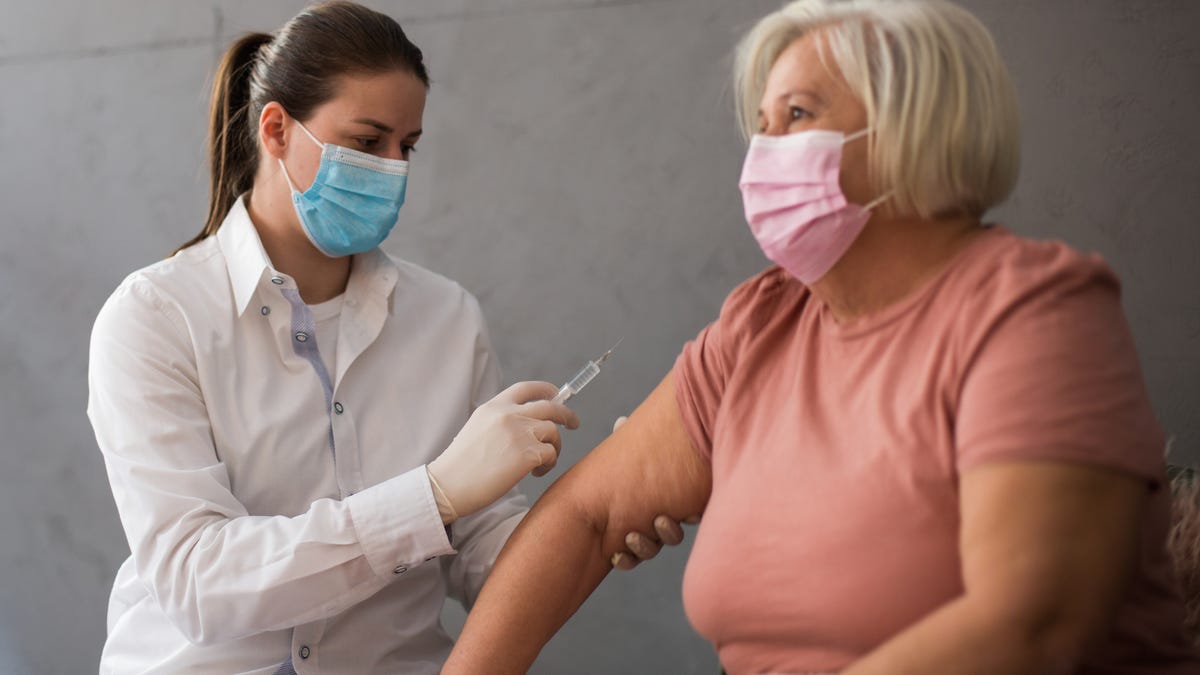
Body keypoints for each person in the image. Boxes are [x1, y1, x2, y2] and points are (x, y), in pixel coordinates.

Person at [441, 0, 1200, 673]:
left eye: (797, 116)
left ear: (914, 125)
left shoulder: (1031, 311)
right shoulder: (758, 327)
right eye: (761, 127)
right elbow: (589, 515)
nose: (764, 154)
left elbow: (1030, 625)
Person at [86, 3, 678, 673]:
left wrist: (602, 511)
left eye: (408, 144)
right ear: (276, 129)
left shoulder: (446, 319)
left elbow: (486, 557)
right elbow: (198, 581)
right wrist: (434, 494)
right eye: (368, 142)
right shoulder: (154, 318)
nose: (393, 168)